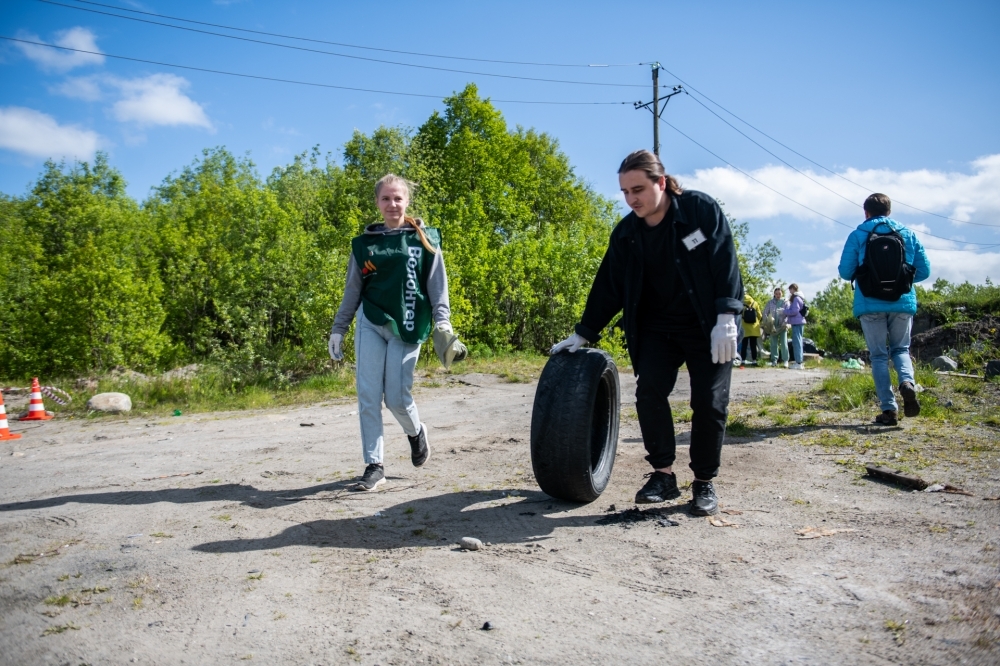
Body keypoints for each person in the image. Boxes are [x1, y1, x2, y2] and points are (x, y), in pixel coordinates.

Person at [551, 150, 744, 516]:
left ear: (661, 182)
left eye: (638, 189)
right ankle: (663, 475)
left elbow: (724, 260)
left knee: (709, 402)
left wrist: (727, 316)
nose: (631, 199)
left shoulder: (699, 211)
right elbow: (608, 285)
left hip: (708, 325)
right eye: (624, 192)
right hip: (657, 328)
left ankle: (703, 482)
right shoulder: (627, 234)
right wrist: (583, 333)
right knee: (649, 394)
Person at [329, 174, 465, 491]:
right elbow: (353, 289)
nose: (392, 204)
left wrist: (443, 322)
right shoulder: (365, 246)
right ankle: (374, 465)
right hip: (371, 320)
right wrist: (339, 328)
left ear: (407, 202)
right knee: (367, 395)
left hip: (409, 323)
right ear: (377, 203)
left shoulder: (424, 239)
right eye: (386, 199)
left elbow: (437, 288)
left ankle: (416, 433)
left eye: (398, 198)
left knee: (397, 399)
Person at [838, 193, 930, 426]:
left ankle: (889, 410)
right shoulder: (907, 233)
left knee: (879, 356)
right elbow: (924, 270)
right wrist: (901, 282)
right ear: (889, 211)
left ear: (865, 211)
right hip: (902, 301)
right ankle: (907, 383)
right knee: (901, 349)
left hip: (869, 303)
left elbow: (846, 272)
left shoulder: (858, 234)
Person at [762, 287, 790, 368]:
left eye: (779, 294)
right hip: (773, 326)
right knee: (773, 344)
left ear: (782, 294)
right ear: (774, 294)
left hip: (783, 326)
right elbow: (765, 313)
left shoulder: (786, 302)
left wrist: (786, 322)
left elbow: (789, 314)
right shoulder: (770, 302)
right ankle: (774, 360)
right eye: (776, 294)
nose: (778, 295)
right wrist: (768, 322)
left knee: (784, 343)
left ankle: (785, 360)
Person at [783, 283, 807, 369]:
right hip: (799, 321)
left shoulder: (796, 298)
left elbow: (794, 311)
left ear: (793, 289)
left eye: (790, 289)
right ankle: (799, 361)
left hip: (797, 322)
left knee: (797, 342)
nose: (790, 291)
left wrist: (784, 311)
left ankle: (798, 362)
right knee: (799, 341)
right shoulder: (800, 297)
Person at [740, 293, 762, 366]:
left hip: (744, 327)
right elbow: (759, 315)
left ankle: (743, 360)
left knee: (744, 344)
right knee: (753, 345)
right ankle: (754, 361)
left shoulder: (740, 303)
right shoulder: (755, 303)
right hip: (753, 327)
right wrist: (757, 321)